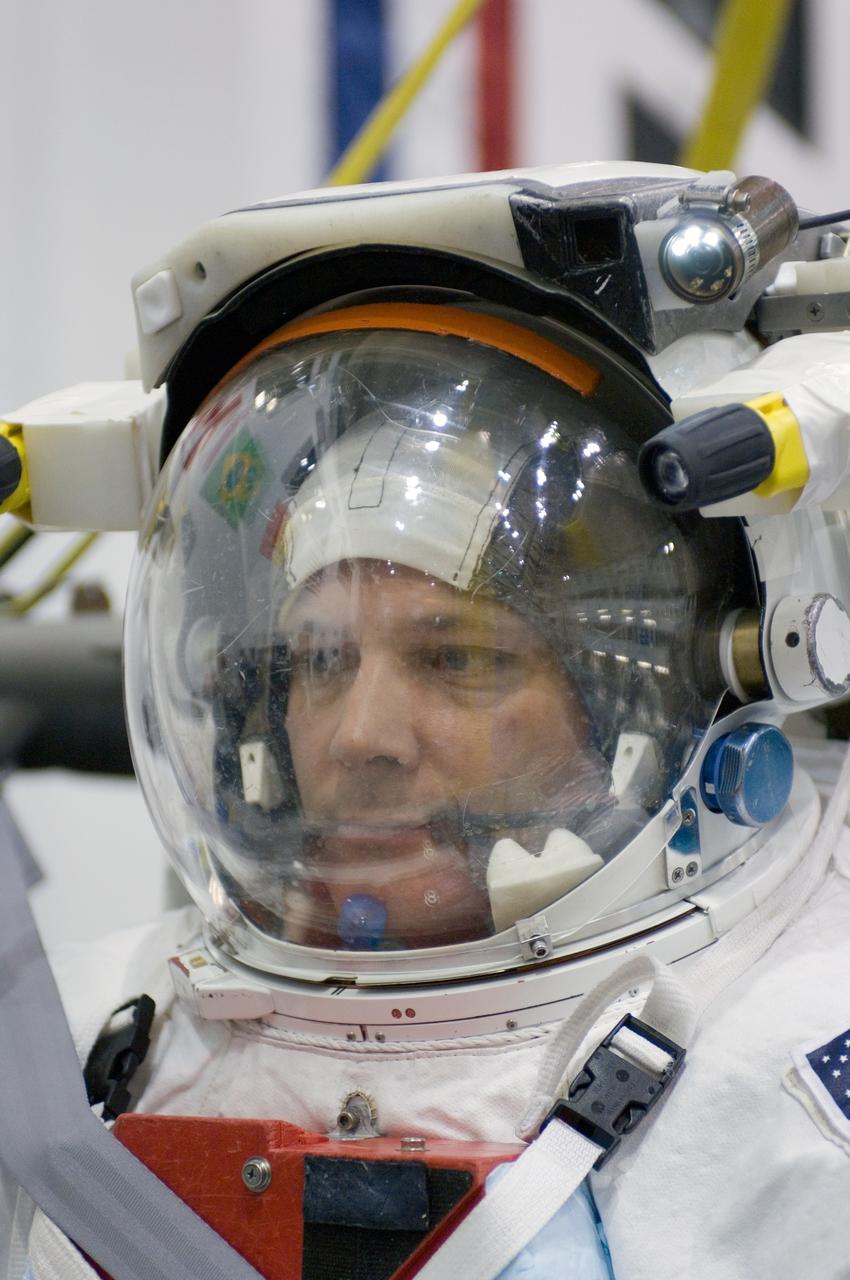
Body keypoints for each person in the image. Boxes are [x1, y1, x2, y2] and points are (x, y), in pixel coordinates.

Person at [6, 161, 850, 1279]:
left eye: (456, 658)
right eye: (317, 659)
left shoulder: (791, 1075)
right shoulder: (76, 1045)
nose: (362, 735)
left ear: (635, 707)